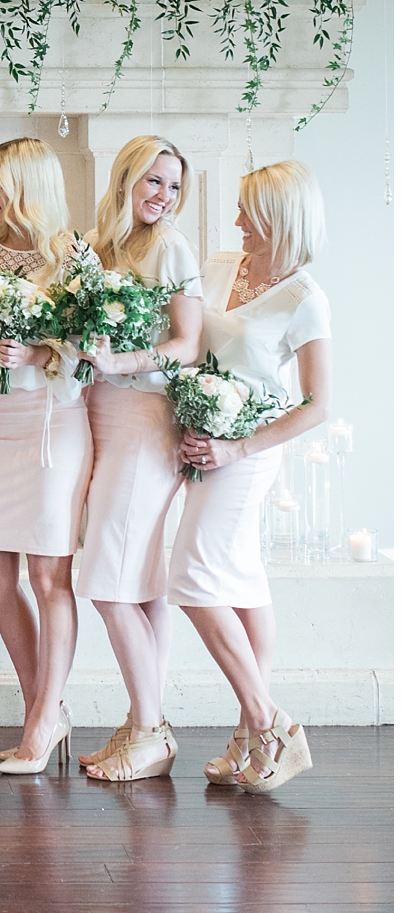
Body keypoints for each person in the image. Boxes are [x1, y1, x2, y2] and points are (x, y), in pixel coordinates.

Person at [177, 161, 333, 794]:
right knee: (239, 578)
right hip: (203, 439)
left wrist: (238, 449)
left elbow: (318, 405)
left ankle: (271, 725)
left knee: (192, 575)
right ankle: (248, 736)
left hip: (249, 451)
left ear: (281, 218)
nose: (237, 220)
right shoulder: (220, 266)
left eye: (250, 211)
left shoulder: (304, 299)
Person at [74, 135, 204, 783]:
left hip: (147, 424)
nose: (163, 196)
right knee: (142, 581)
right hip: (99, 419)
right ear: (126, 179)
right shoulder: (97, 250)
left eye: (173, 186)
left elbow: (187, 345)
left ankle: (151, 731)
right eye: (153, 182)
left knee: (107, 580)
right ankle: (143, 718)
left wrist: (122, 361)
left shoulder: (172, 248)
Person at [0, 138, 93, 776]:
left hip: (52, 424)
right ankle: (42, 701)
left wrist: (42, 354)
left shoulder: (72, 253)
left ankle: (43, 717)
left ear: (25, 186)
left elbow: (96, 342)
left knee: (48, 578)